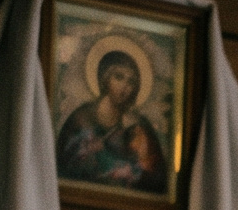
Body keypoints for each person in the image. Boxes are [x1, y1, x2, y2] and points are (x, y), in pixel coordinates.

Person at [56, 45, 167, 195]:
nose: (125, 87)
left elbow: (155, 178)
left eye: (131, 82)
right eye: (119, 77)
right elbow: (64, 166)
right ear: (105, 78)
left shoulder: (139, 125)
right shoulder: (81, 117)